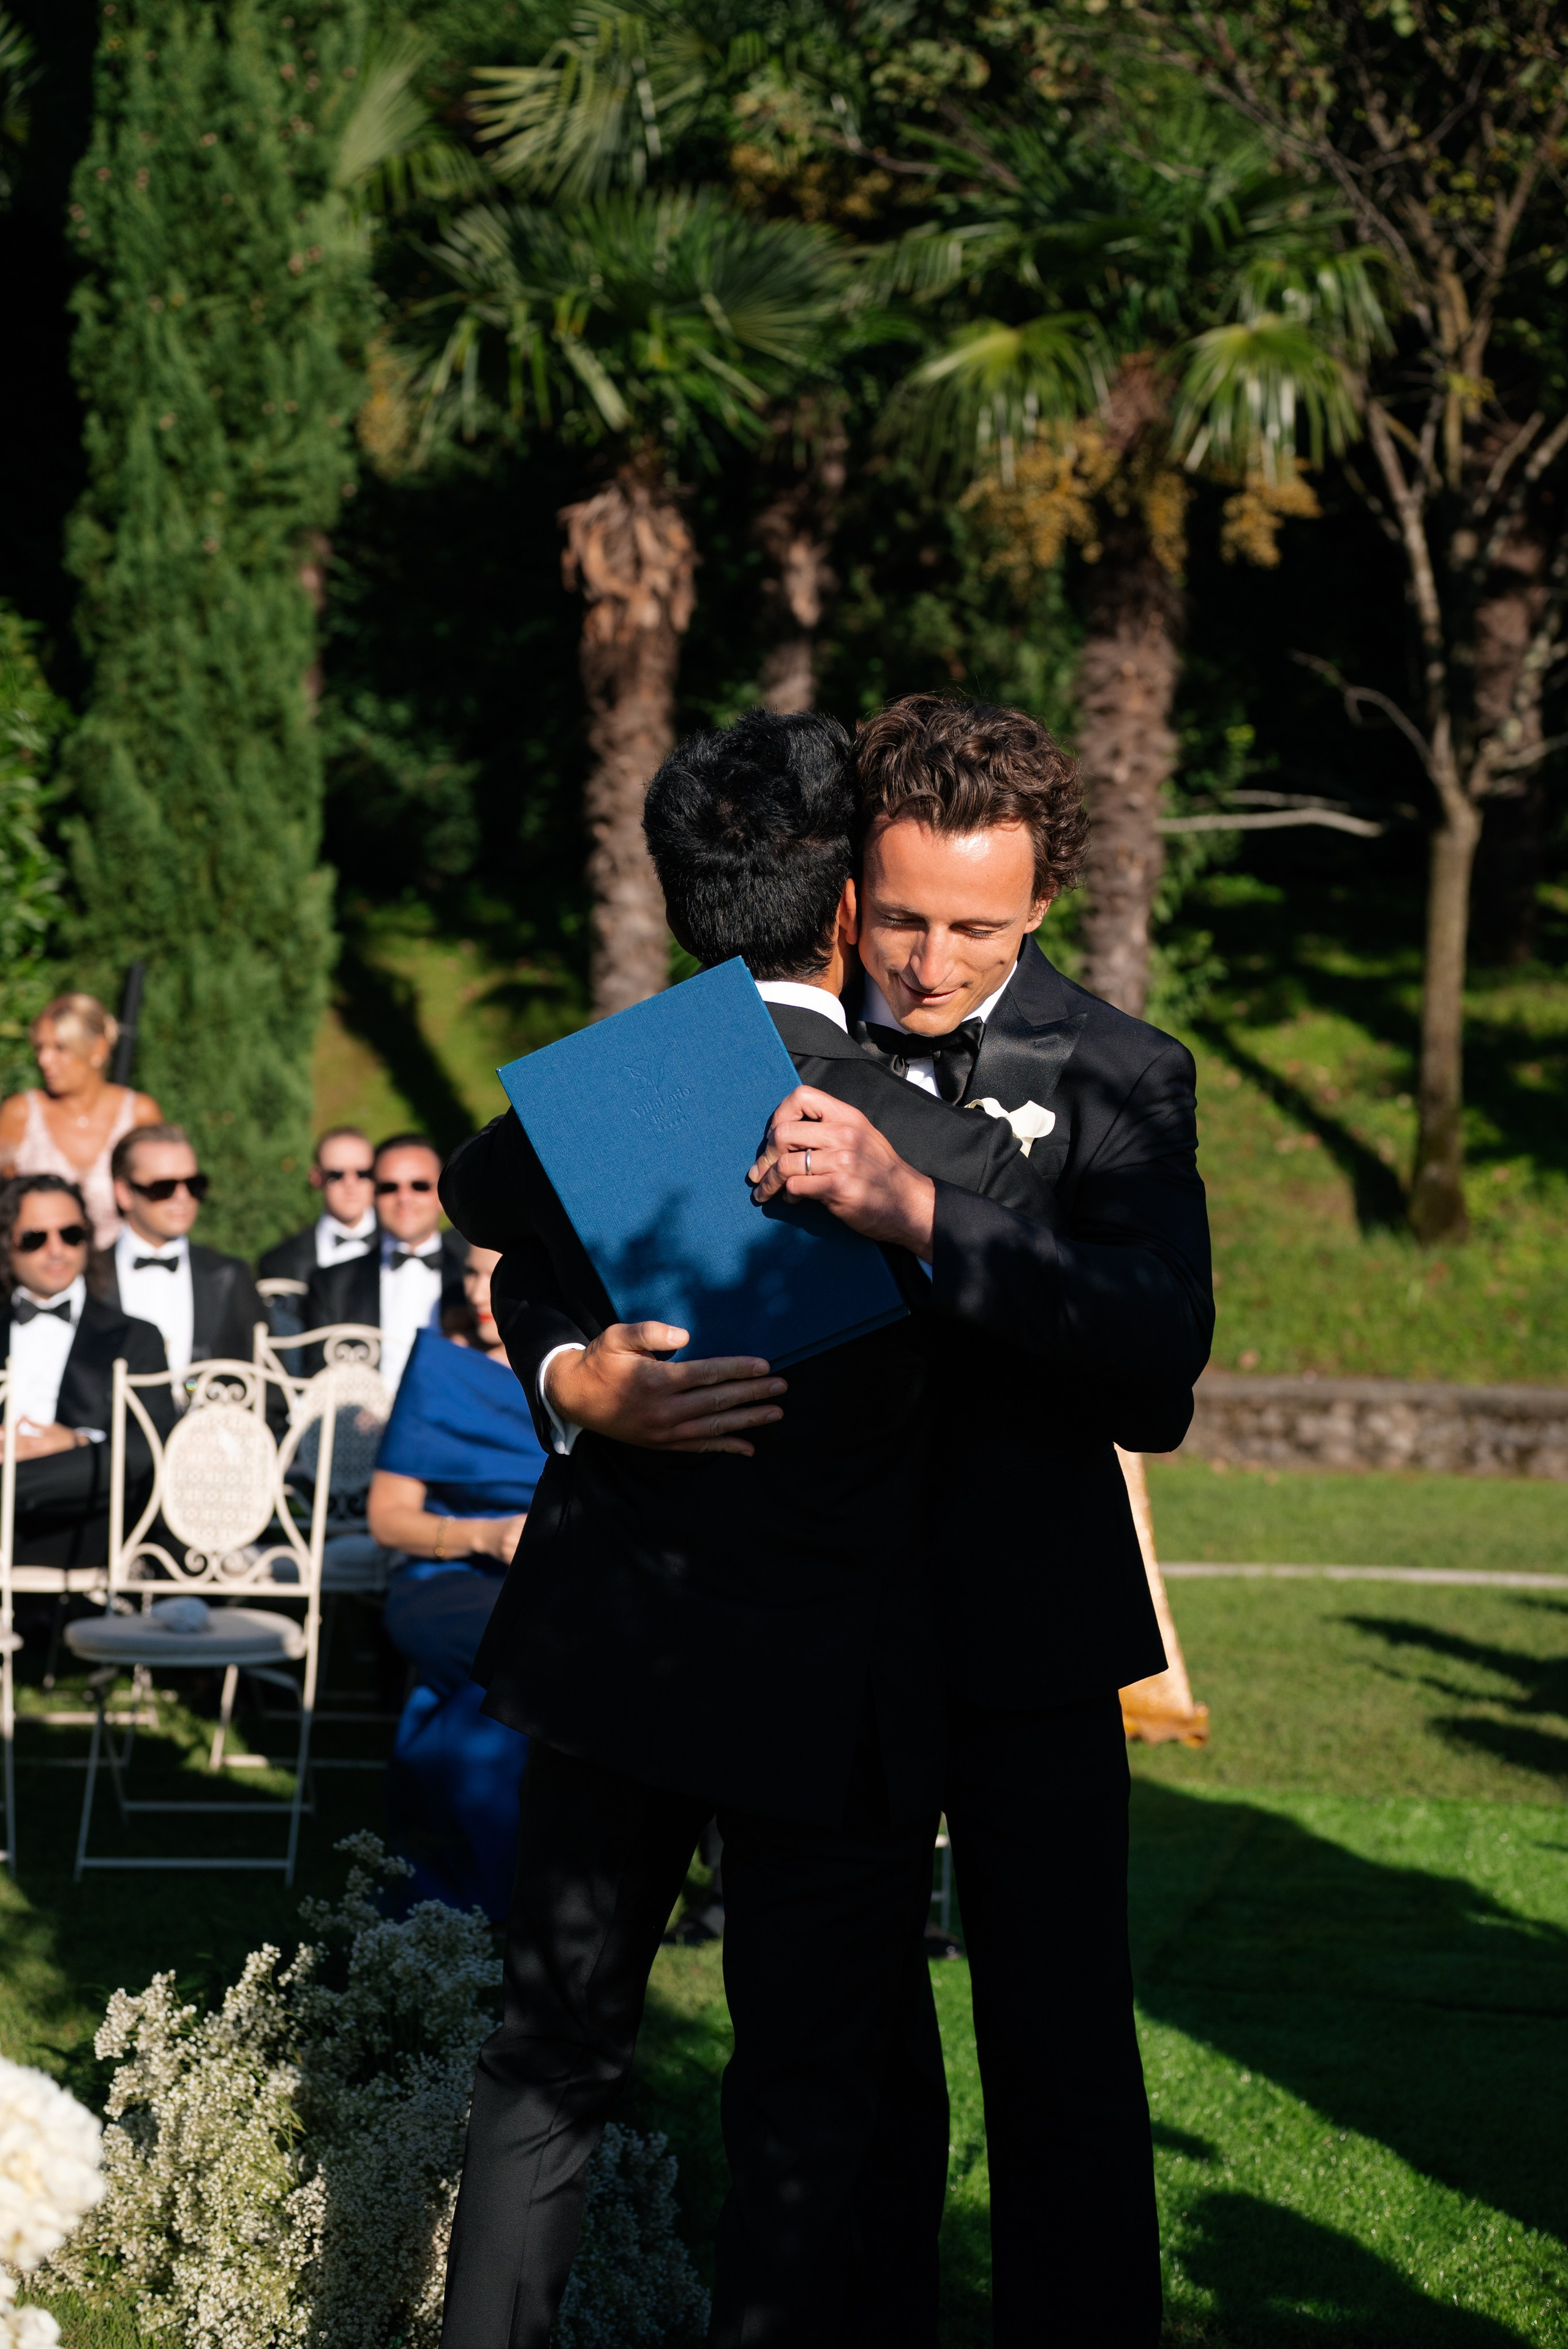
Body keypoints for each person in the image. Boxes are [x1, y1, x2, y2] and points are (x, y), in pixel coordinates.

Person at [437, 709, 1057, 2349]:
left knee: (548, 2056)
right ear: (850, 901)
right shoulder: (939, 1145)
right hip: (834, 1687)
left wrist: (564, 1370)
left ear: (669, 889)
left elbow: (485, 1205)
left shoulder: (606, 1102)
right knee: (803, 2094)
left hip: (613, 1658)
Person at [745, 693, 1214, 2347]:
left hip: (1027, 1623)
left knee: (1063, 2045)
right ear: (850, 887)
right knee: (829, 2044)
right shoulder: (763, 1041)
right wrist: (581, 1371)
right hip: (817, 1626)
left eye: (979, 928)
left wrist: (919, 1208)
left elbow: (1156, 1362)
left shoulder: (1124, 1072)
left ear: (1042, 908)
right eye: (905, 918)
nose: (930, 961)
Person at [368, 1245, 545, 1923]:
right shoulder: (441, 1368)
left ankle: (463, 1888)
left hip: (557, 1583)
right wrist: (486, 1535)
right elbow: (388, 1519)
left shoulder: (589, 1368)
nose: (479, 1288)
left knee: (533, 1666)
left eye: (498, 1270)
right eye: (469, 1271)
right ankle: (481, 1890)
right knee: (518, 1661)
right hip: (444, 1577)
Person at [0, 1173, 175, 1567]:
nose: (57, 1250)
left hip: (87, 1522)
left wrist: (76, 1443)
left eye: (71, 1235)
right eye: (35, 1239)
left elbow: (155, 1444)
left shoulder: (136, 1336)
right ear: (6, 1244)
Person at [304, 1133, 469, 1394]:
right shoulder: (330, 1284)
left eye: (419, 1185)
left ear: (442, 1193)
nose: (404, 1198)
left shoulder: (477, 1278)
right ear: (373, 1195)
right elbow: (318, 1381)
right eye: (389, 1187)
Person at [0, 994, 162, 1251]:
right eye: (40, 1048)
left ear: (98, 1049)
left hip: (117, 1276)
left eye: (59, 1048)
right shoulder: (20, 1114)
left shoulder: (139, 1114)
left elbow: (158, 1202)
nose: (44, 1061)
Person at [106, 1125, 268, 1380]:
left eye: (193, 1185)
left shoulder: (230, 1275)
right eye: (164, 1187)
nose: (182, 1197)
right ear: (124, 1193)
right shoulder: (88, 1278)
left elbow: (267, 1384)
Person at [258, 1126, 379, 1288]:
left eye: (363, 1174)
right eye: (336, 1175)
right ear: (316, 1177)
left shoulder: (408, 1248)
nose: (351, 1184)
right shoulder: (279, 1263)